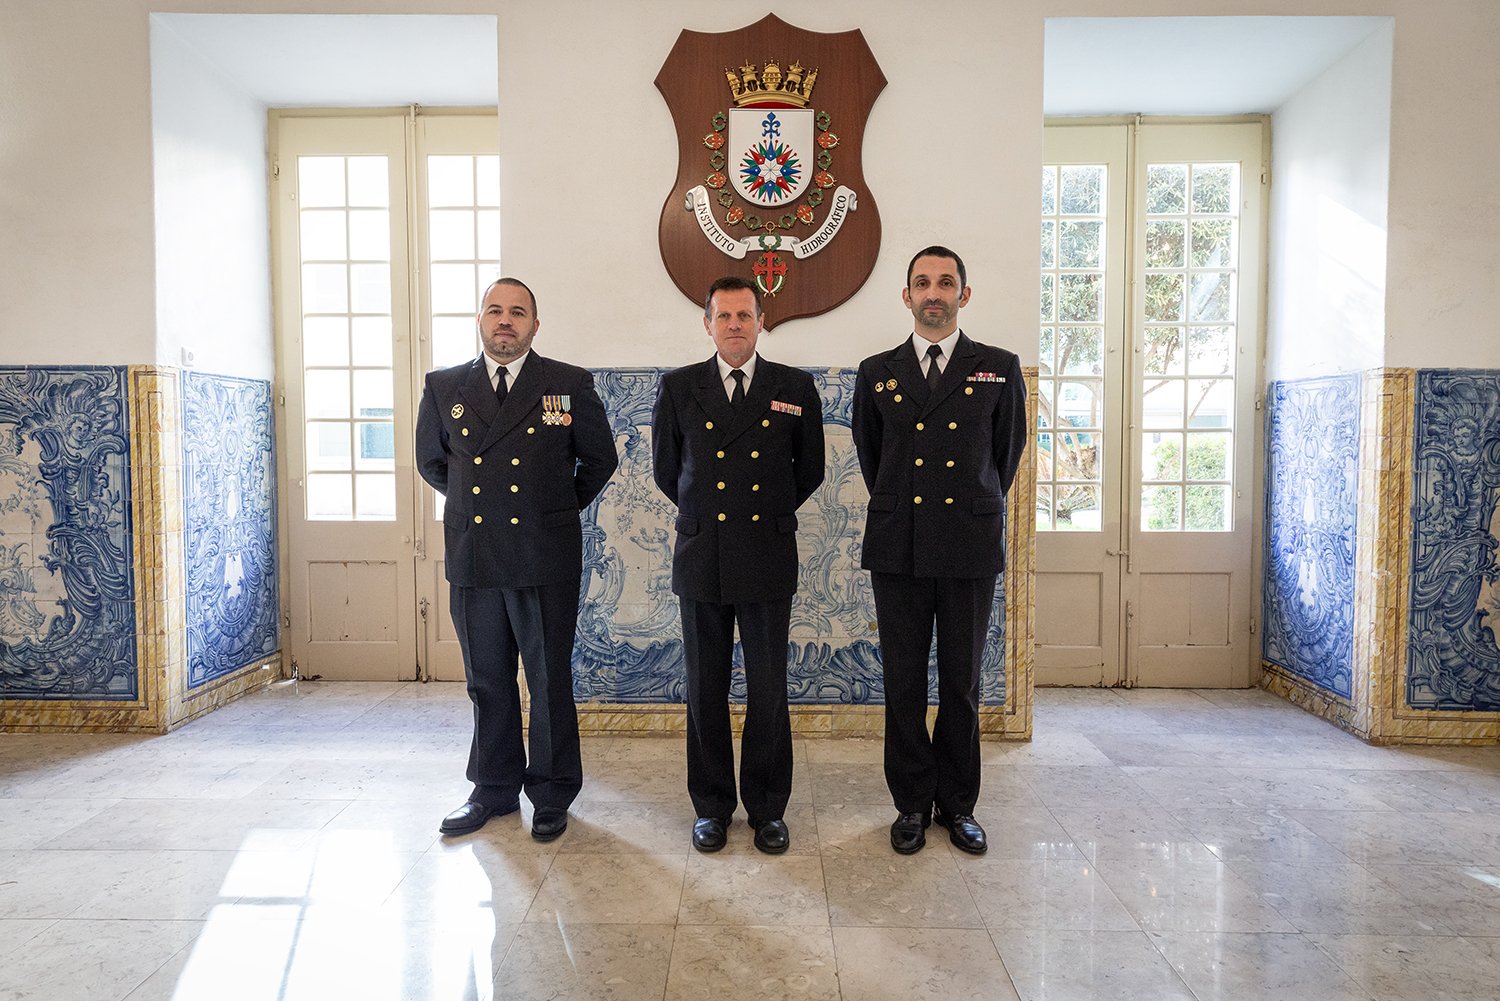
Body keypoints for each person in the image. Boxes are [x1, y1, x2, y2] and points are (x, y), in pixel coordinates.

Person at [415, 277, 618, 840]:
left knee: (549, 678)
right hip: (475, 555)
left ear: (535, 324)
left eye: (518, 312)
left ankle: (552, 792)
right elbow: (434, 463)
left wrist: (551, 509)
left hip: (544, 555)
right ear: (480, 320)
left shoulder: (568, 383)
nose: (505, 321)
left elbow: (599, 460)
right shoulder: (444, 386)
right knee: (487, 678)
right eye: (495, 311)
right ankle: (493, 788)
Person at [851, 246, 1027, 855]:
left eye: (945, 282)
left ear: (964, 295)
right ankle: (909, 804)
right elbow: (873, 459)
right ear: (906, 296)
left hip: (968, 545)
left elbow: (1003, 458)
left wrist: (967, 503)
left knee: (960, 683)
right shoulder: (878, 371)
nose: (934, 292)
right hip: (899, 546)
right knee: (902, 681)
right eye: (922, 283)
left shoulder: (999, 367)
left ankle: (957, 805)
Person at [652, 276, 825, 854]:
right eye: (723, 316)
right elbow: (666, 471)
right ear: (707, 323)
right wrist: (713, 513)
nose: (733, 325)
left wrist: (763, 510)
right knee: (705, 688)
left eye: (744, 316)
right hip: (702, 555)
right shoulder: (679, 388)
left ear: (759, 321)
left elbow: (810, 471)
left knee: (769, 687)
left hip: (768, 554)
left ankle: (768, 808)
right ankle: (711, 807)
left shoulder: (793, 386)